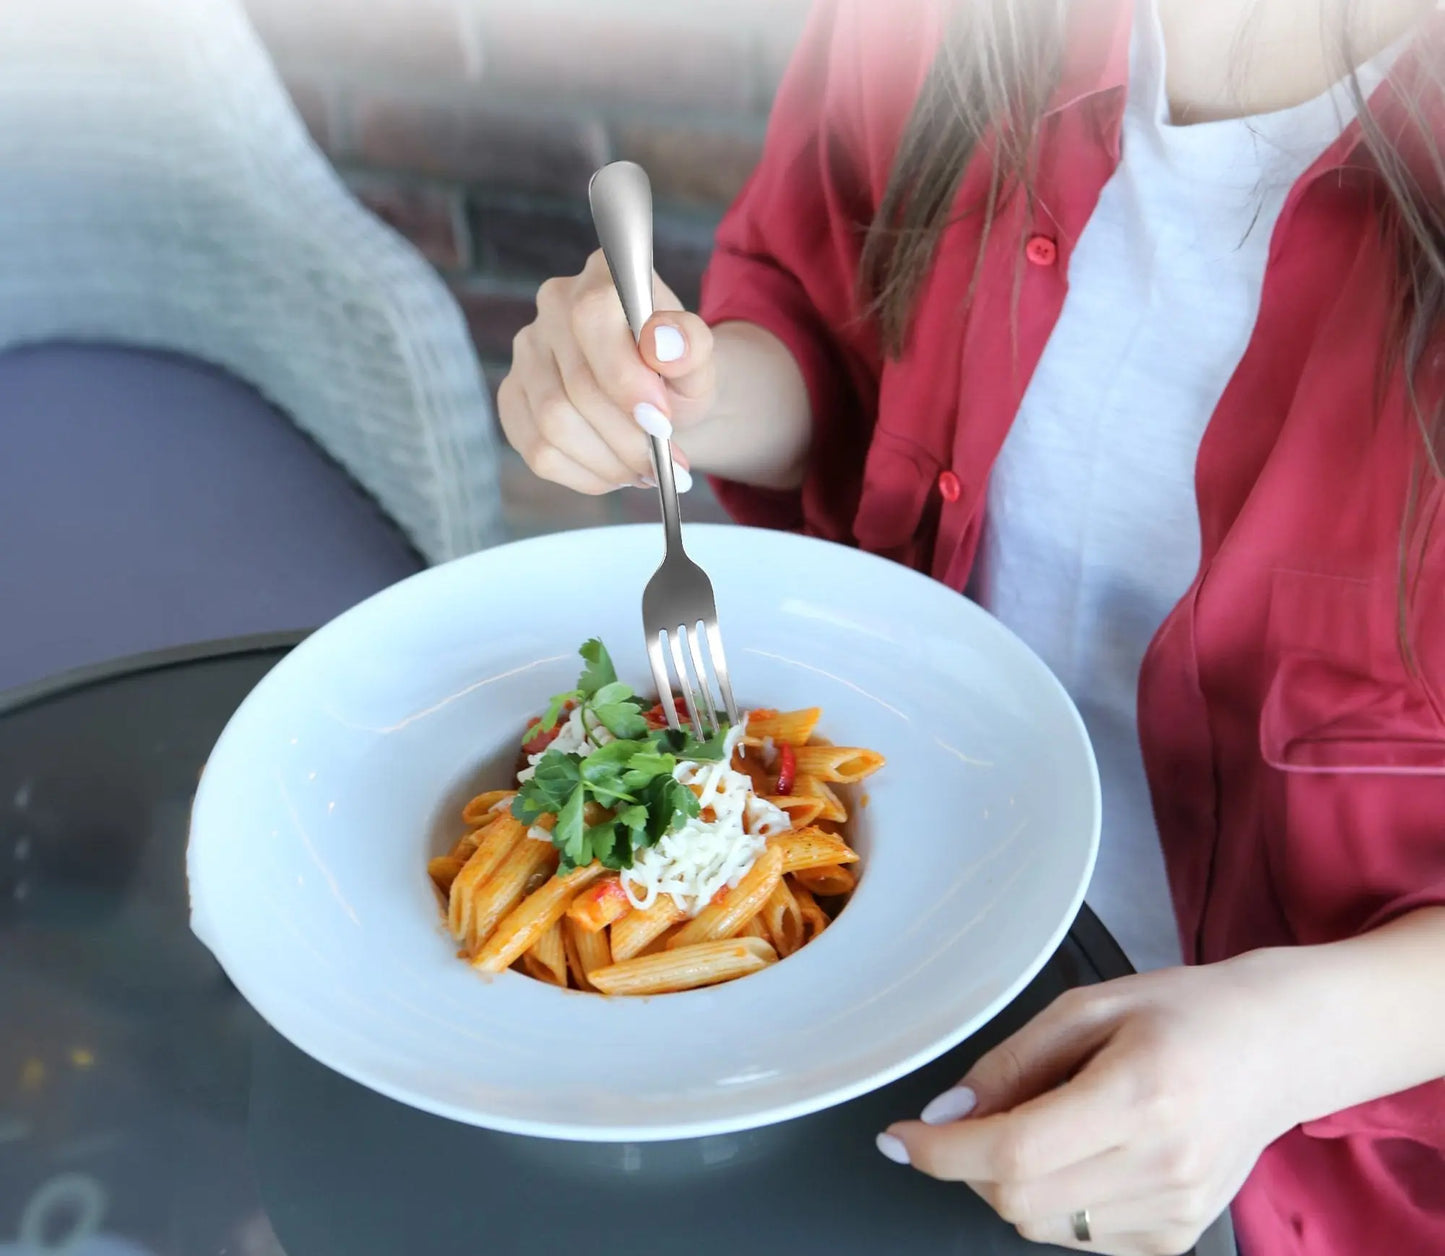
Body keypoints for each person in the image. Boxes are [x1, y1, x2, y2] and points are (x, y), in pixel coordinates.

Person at [496, 0, 1445, 1251]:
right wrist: (684, 397)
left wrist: (1286, 1039)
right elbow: (832, 347)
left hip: (1329, 1162)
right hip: (881, 988)